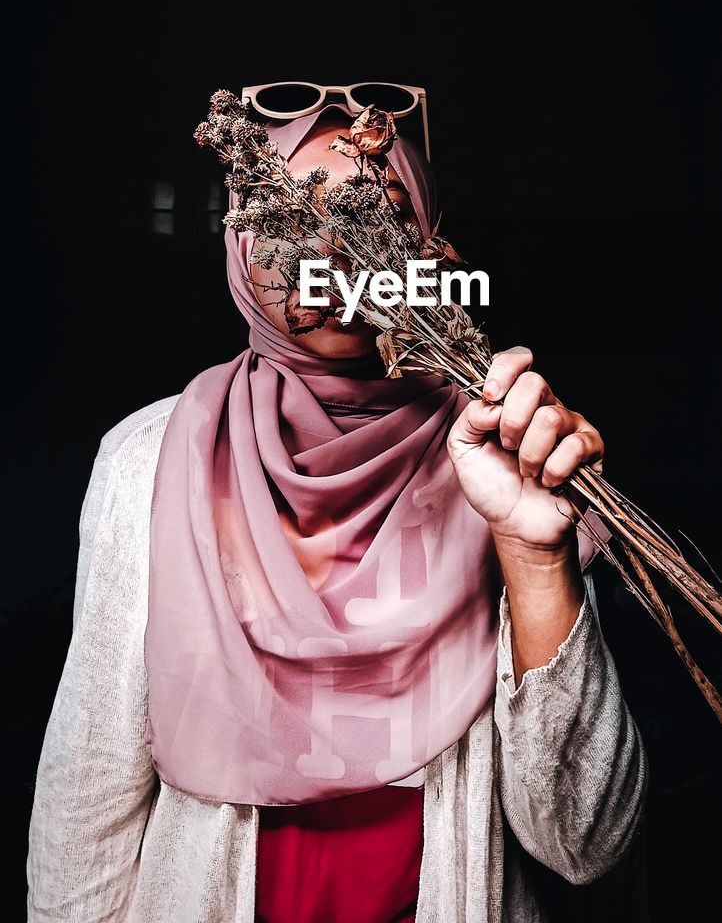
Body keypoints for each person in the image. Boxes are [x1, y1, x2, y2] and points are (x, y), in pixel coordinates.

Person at [26, 95, 648, 922]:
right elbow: (88, 798)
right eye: (295, 223)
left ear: (422, 247)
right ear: (245, 247)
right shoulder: (151, 459)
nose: (336, 255)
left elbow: (585, 843)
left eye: (372, 218)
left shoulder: (498, 453)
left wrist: (535, 559)